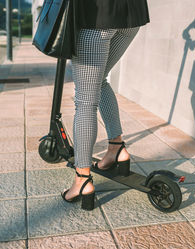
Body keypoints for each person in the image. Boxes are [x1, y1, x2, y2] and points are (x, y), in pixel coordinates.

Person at [61, 0, 150, 210]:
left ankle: (82, 179)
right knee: (99, 82)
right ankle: (116, 148)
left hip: (96, 15)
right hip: (131, 15)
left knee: (85, 102)